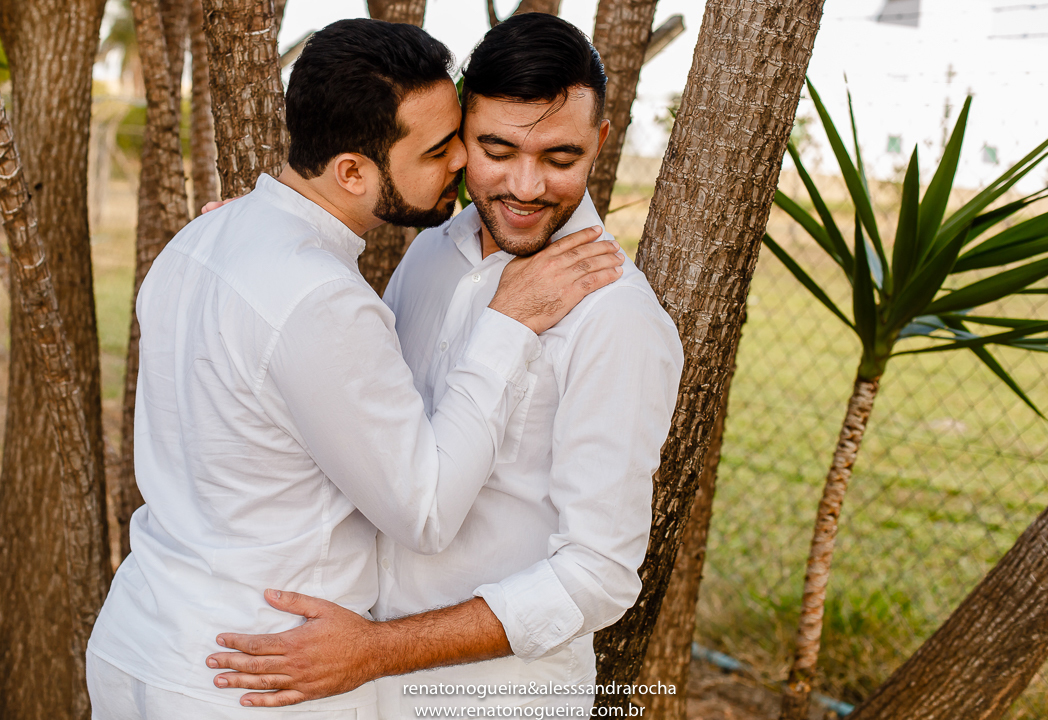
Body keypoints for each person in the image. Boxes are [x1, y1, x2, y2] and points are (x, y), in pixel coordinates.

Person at [85, 18, 624, 720]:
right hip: (261, 672)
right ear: (351, 172)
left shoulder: (201, 238)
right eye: (439, 149)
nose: (462, 161)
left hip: (140, 642)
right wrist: (508, 326)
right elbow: (424, 512)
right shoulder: (320, 297)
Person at [206, 13, 683, 717]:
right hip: (355, 683)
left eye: (560, 158)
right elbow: (363, 407)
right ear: (459, 133)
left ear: (601, 142)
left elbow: (599, 575)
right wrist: (257, 245)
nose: (526, 186)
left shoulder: (616, 318)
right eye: (497, 149)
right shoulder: (433, 248)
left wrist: (379, 649)